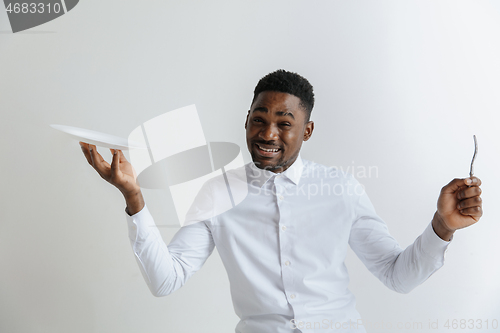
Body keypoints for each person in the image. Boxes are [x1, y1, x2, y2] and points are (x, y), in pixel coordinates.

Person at [79, 69, 483, 333]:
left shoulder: (340, 189)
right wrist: (134, 198)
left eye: (284, 123)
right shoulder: (216, 194)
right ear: (246, 121)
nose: (268, 133)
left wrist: (442, 226)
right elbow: (166, 281)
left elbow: (399, 276)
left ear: (306, 131)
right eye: (259, 118)